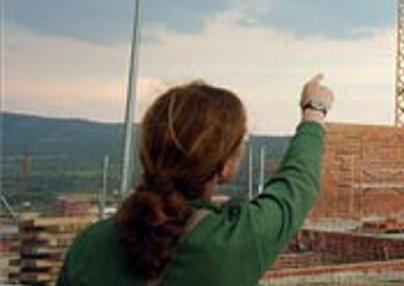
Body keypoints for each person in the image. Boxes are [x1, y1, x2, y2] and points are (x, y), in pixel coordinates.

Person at [57, 74, 333, 286]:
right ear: (224, 165)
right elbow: (297, 183)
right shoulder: (229, 243)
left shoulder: (91, 245)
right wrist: (313, 111)